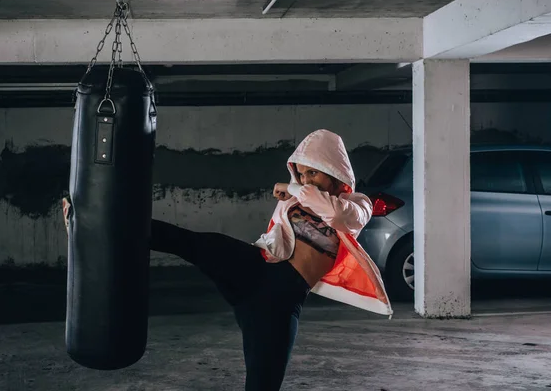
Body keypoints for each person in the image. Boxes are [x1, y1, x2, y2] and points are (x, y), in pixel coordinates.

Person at [62, 129, 392, 391]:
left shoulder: (357, 204)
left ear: (334, 173)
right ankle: (91, 225)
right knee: (190, 242)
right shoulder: (296, 197)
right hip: (256, 268)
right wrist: (296, 191)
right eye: (301, 174)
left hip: (281, 301)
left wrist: (294, 190)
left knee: (263, 384)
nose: (305, 181)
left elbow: (336, 212)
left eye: (313, 175)